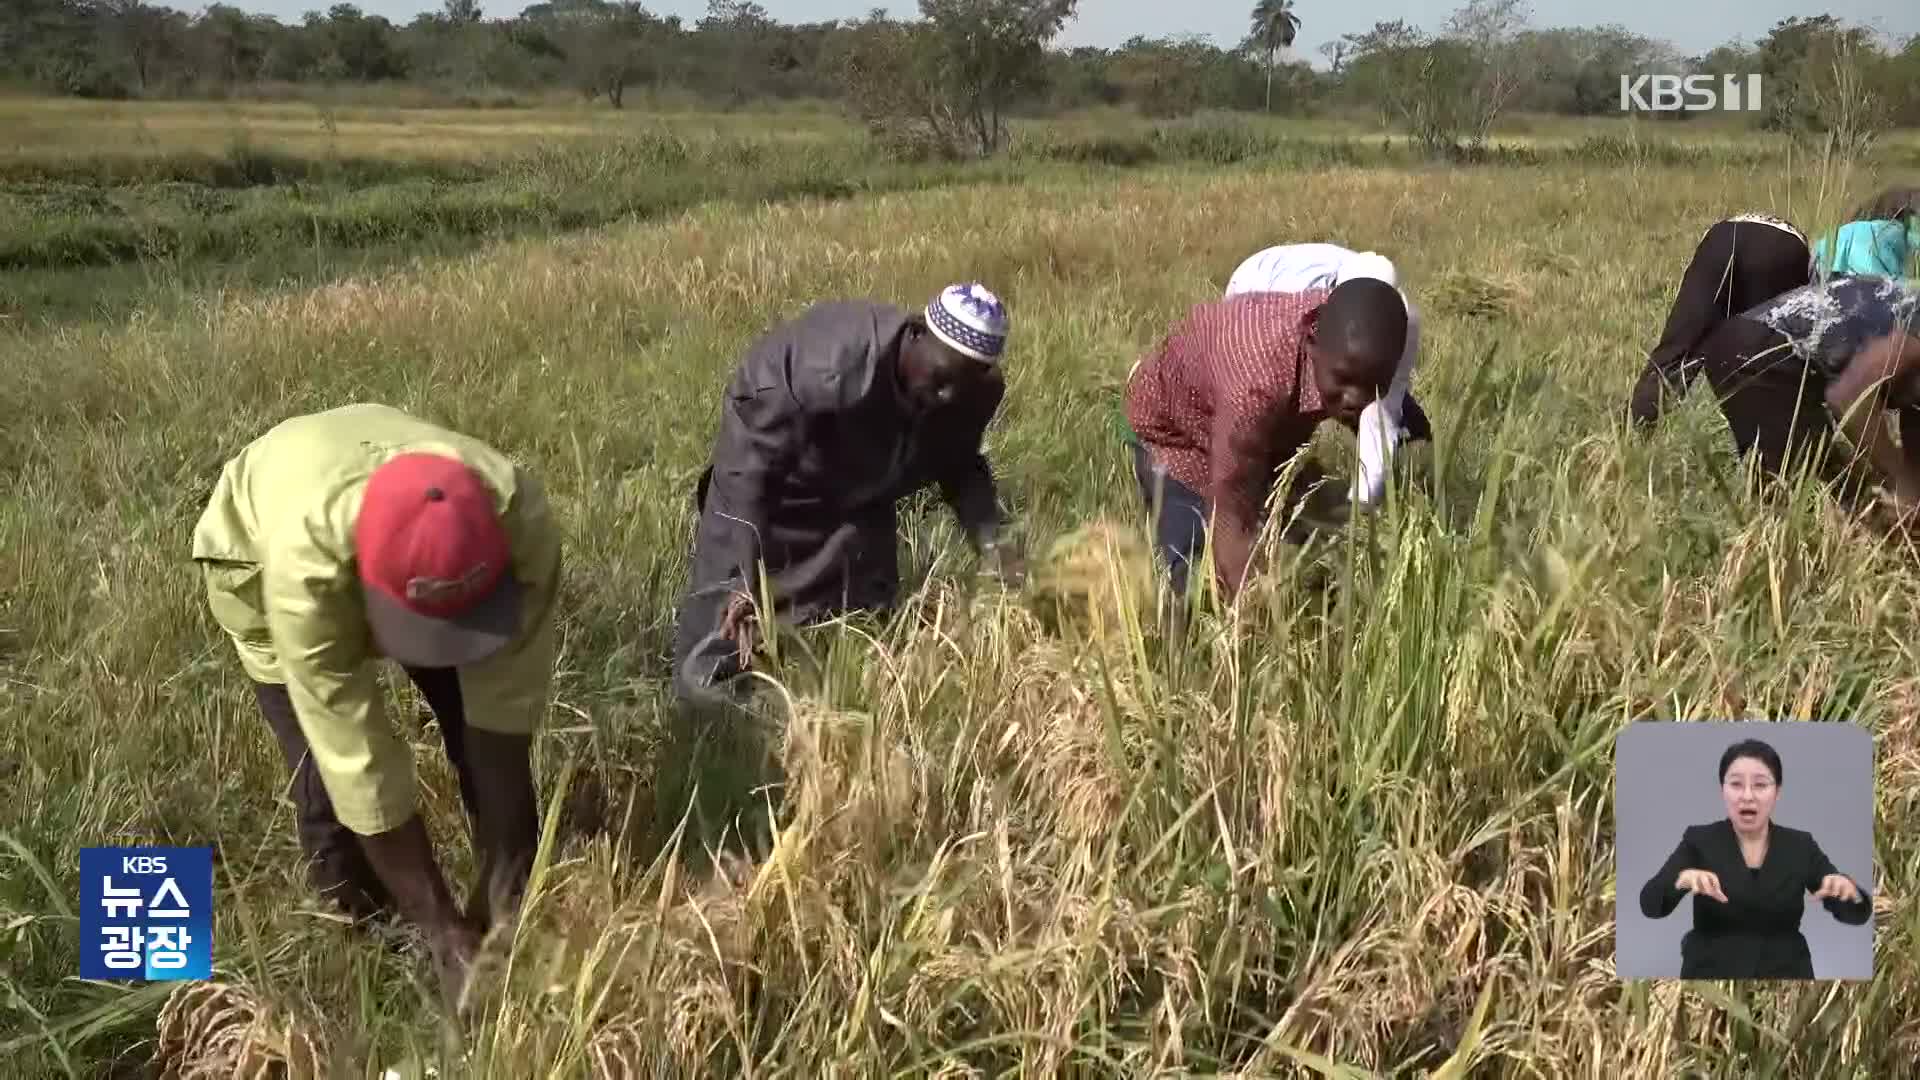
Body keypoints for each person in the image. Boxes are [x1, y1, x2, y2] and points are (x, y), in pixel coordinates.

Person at [191, 403, 561, 1008]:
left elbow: (504, 719)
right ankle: (369, 943)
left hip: (410, 522)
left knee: (478, 739)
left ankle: (490, 902)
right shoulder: (300, 578)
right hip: (258, 551)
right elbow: (357, 764)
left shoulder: (518, 520)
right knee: (325, 787)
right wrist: (444, 935)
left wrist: (504, 898)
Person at [671, 282, 1023, 707]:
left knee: (857, 631)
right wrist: (741, 576)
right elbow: (749, 467)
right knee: (725, 635)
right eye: (940, 378)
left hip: (859, 499)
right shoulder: (824, 364)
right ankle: (713, 740)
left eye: (961, 387)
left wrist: (993, 543)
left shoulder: (971, 392)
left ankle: (826, 721)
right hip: (775, 495)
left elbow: (960, 463)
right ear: (915, 334)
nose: (946, 397)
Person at [1121, 278, 1406, 602]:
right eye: (1343, 381)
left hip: (1250, 422)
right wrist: (1252, 609)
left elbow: (1389, 409)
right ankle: (1177, 637)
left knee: (1308, 536)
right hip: (1173, 431)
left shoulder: (1351, 341)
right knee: (1194, 570)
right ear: (1312, 344)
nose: (1356, 398)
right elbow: (1230, 509)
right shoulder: (1256, 384)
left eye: (1374, 385)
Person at [1638, 738, 1872, 979]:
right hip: (1711, 979)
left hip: (1786, 980)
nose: (1747, 796)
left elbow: (1854, 913)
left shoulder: (1800, 845)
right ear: (1723, 790)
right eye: (1736, 784)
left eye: (1760, 785)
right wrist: (1682, 879)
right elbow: (1650, 904)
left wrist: (1848, 891)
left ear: (1777, 792)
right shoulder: (1699, 840)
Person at [1222, 243, 1433, 509]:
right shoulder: (1291, 307)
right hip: (1253, 285)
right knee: (1275, 415)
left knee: (1397, 419)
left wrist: (1363, 504)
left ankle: (1414, 484)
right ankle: (1277, 493)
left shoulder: (1402, 320)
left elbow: (1385, 408)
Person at [1687, 274, 1920, 510]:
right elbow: (1849, 396)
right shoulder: (1914, 328)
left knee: (1800, 489)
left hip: (1748, 346)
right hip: (1765, 352)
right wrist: (1897, 472)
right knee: (1820, 497)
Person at [1628, 214, 1814, 427]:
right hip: (1784, 246)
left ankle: (1634, 430)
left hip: (1723, 236)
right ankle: (1762, 445)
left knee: (1677, 349)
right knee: (1766, 360)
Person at [1813, 187, 1917, 282]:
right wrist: (1897, 273)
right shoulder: (1900, 233)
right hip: (1854, 250)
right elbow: (1882, 243)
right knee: (1887, 286)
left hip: (1833, 251)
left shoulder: (1895, 229)